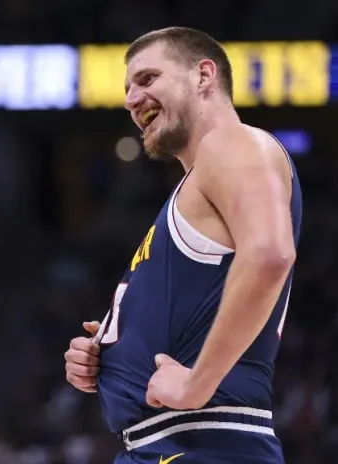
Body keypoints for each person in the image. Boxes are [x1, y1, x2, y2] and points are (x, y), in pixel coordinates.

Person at [64, 27, 301, 463]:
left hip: (202, 442)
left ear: (203, 76)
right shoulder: (196, 185)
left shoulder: (231, 142)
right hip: (166, 442)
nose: (131, 100)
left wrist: (197, 383)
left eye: (148, 79)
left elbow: (271, 254)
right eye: (128, 88)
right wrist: (113, 350)